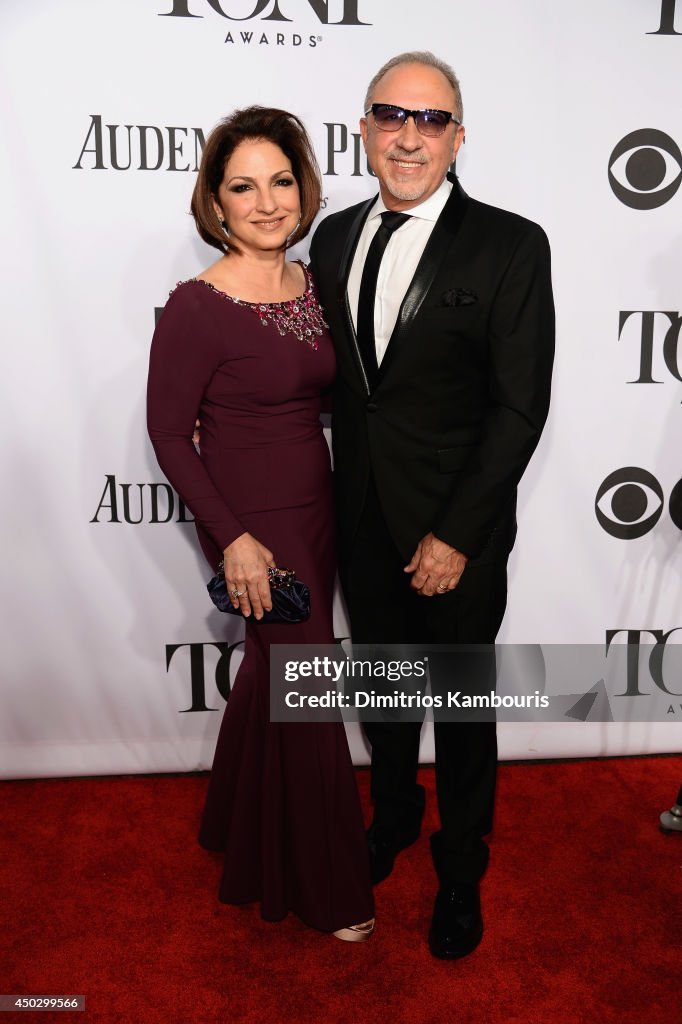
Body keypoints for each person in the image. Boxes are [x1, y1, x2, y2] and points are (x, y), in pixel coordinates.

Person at [309, 52, 554, 959]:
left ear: (458, 136)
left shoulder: (509, 243)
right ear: (366, 127)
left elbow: (519, 405)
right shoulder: (331, 237)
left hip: (460, 528)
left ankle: (459, 870)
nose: (409, 135)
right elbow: (343, 386)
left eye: (431, 119)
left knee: (457, 706)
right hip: (362, 514)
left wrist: (457, 532)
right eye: (391, 115)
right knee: (384, 694)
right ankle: (397, 816)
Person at [147, 106, 374, 941]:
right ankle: (329, 889)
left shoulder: (312, 283)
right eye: (243, 186)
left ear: (301, 187)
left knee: (276, 672)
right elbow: (170, 435)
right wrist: (233, 538)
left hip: (314, 504)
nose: (267, 202)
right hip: (249, 522)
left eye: (280, 181)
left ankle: (230, 824)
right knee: (307, 683)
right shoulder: (196, 306)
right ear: (215, 201)